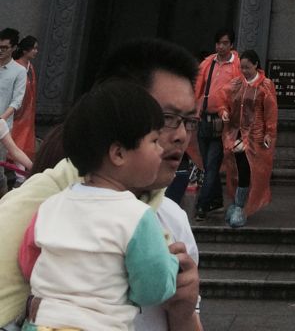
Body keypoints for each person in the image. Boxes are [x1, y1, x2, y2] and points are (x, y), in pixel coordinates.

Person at [0, 37, 202, 331]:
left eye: (189, 121)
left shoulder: (171, 222)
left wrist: (184, 313)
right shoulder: (31, 211)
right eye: (166, 118)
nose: (182, 135)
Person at [17, 80, 179, 331]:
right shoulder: (136, 216)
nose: (161, 150)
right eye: (154, 140)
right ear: (119, 154)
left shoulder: (50, 206)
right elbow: (153, 289)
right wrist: (172, 263)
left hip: (40, 324)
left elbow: (29, 264)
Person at [221, 49, 277, 228]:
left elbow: (270, 111)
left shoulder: (265, 85)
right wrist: (223, 111)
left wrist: (269, 132)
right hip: (236, 132)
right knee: (236, 168)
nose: (244, 70)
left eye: (247, 67)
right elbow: (224, 99)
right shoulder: (237, 83)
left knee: (247, 169)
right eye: (241, 67)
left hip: (255, 135)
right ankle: (238, 202)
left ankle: (240, 206)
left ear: (255, 65)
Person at [192, 28, 243, 220]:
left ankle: (202, 205)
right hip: (204, 118)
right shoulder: (208, 63)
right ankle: (215, 200)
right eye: (218, 43)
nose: (221, 47)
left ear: (231, 45)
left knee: (212, 164)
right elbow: (198, 88)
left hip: (223, 122)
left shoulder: (237, 65)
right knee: (206, 163)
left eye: (225, 43)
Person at [0, 29, 27, 187]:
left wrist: (2, 119)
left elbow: (17, 101)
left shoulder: (19, 71)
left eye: (4, 48)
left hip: (3, 128)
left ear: (14, 48)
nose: (0, 51)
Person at [10, 35, 38, 161]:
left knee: (24, 142)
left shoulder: (30, 67)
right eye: (34, 48)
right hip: (16, 112)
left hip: (28, 112)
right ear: (25, 50)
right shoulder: (15, 66)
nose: (36, 51)